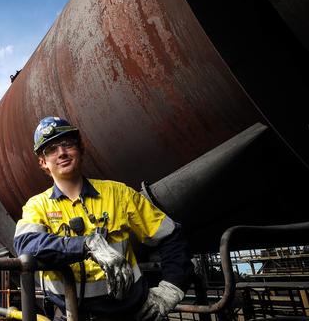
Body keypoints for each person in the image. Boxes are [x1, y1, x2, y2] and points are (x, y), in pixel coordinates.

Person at [14, 117, 192, 321]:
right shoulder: (38, 205)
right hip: (70, 314)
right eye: (51, 149)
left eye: (67, 144)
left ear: (80, 149)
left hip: (131, 313)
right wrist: (86, 245)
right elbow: (26, 245)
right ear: (43, 162)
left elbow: (171, 235)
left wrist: (171, 288)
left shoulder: (120, 194)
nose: (61, 153)